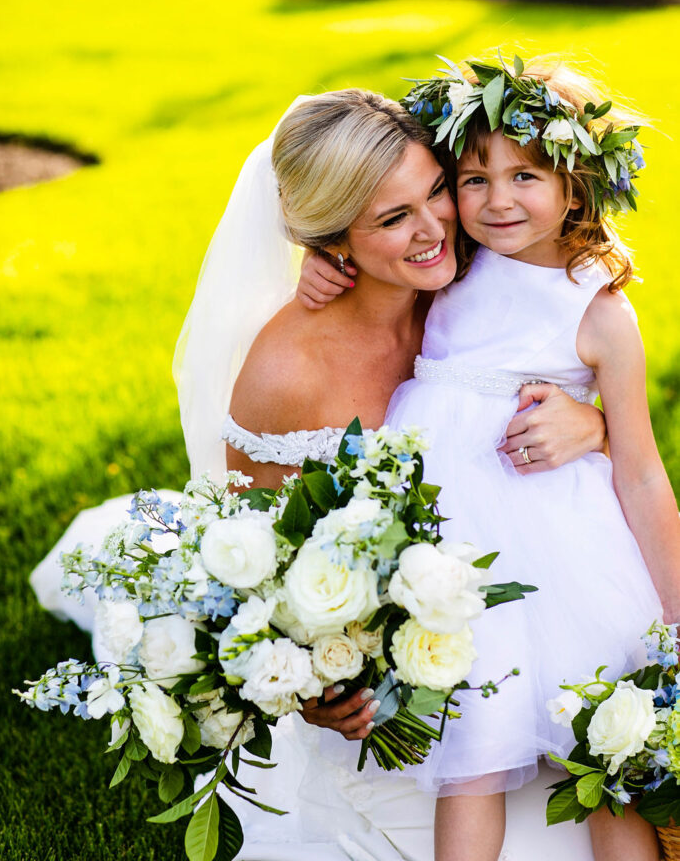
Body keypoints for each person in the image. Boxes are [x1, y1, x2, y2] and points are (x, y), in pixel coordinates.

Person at [31, 88, 607, 861]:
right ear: (333, 237)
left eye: (434, 189)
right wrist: (311, 690)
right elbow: (258, 572)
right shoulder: (285, 376)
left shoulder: (476, 260)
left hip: (514, 609)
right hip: (392, 657)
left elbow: (568, 324)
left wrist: (590, 418)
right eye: (390, 218)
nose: (434, 228)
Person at [298, 61, 680, 861]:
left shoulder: (599, 311)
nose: (495, 200)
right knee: (469, 761)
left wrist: (676, 616)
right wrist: (321, 260)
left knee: (602, 759)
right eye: (471, 180)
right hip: (451, 557)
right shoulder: (453, 268)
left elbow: (641, 469)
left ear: (574, 184)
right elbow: (372, 229)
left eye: (525, 176)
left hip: (562, 554)